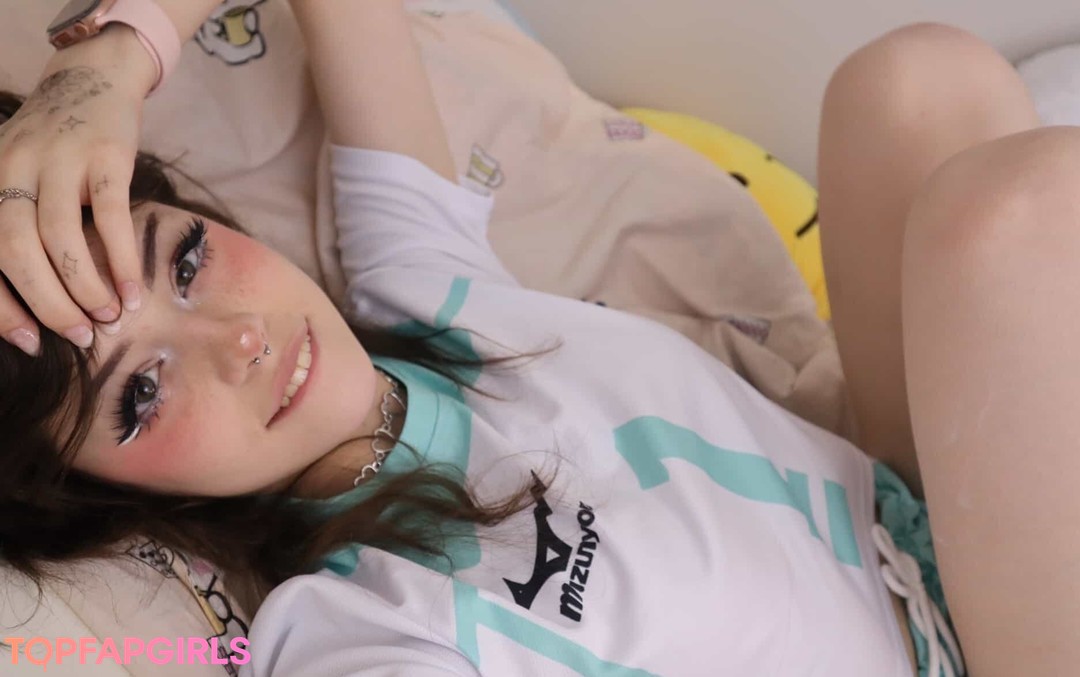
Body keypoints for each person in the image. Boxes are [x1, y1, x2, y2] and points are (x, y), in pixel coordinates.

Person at [0, 0, 1073, 674]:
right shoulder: (360, 626)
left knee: (917, 80)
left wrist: (107, 69)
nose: (237, 340)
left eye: (185, 261)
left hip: (921, 532)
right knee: (1013, 213)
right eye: (140, 391)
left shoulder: (425, 296)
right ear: (84, 493)